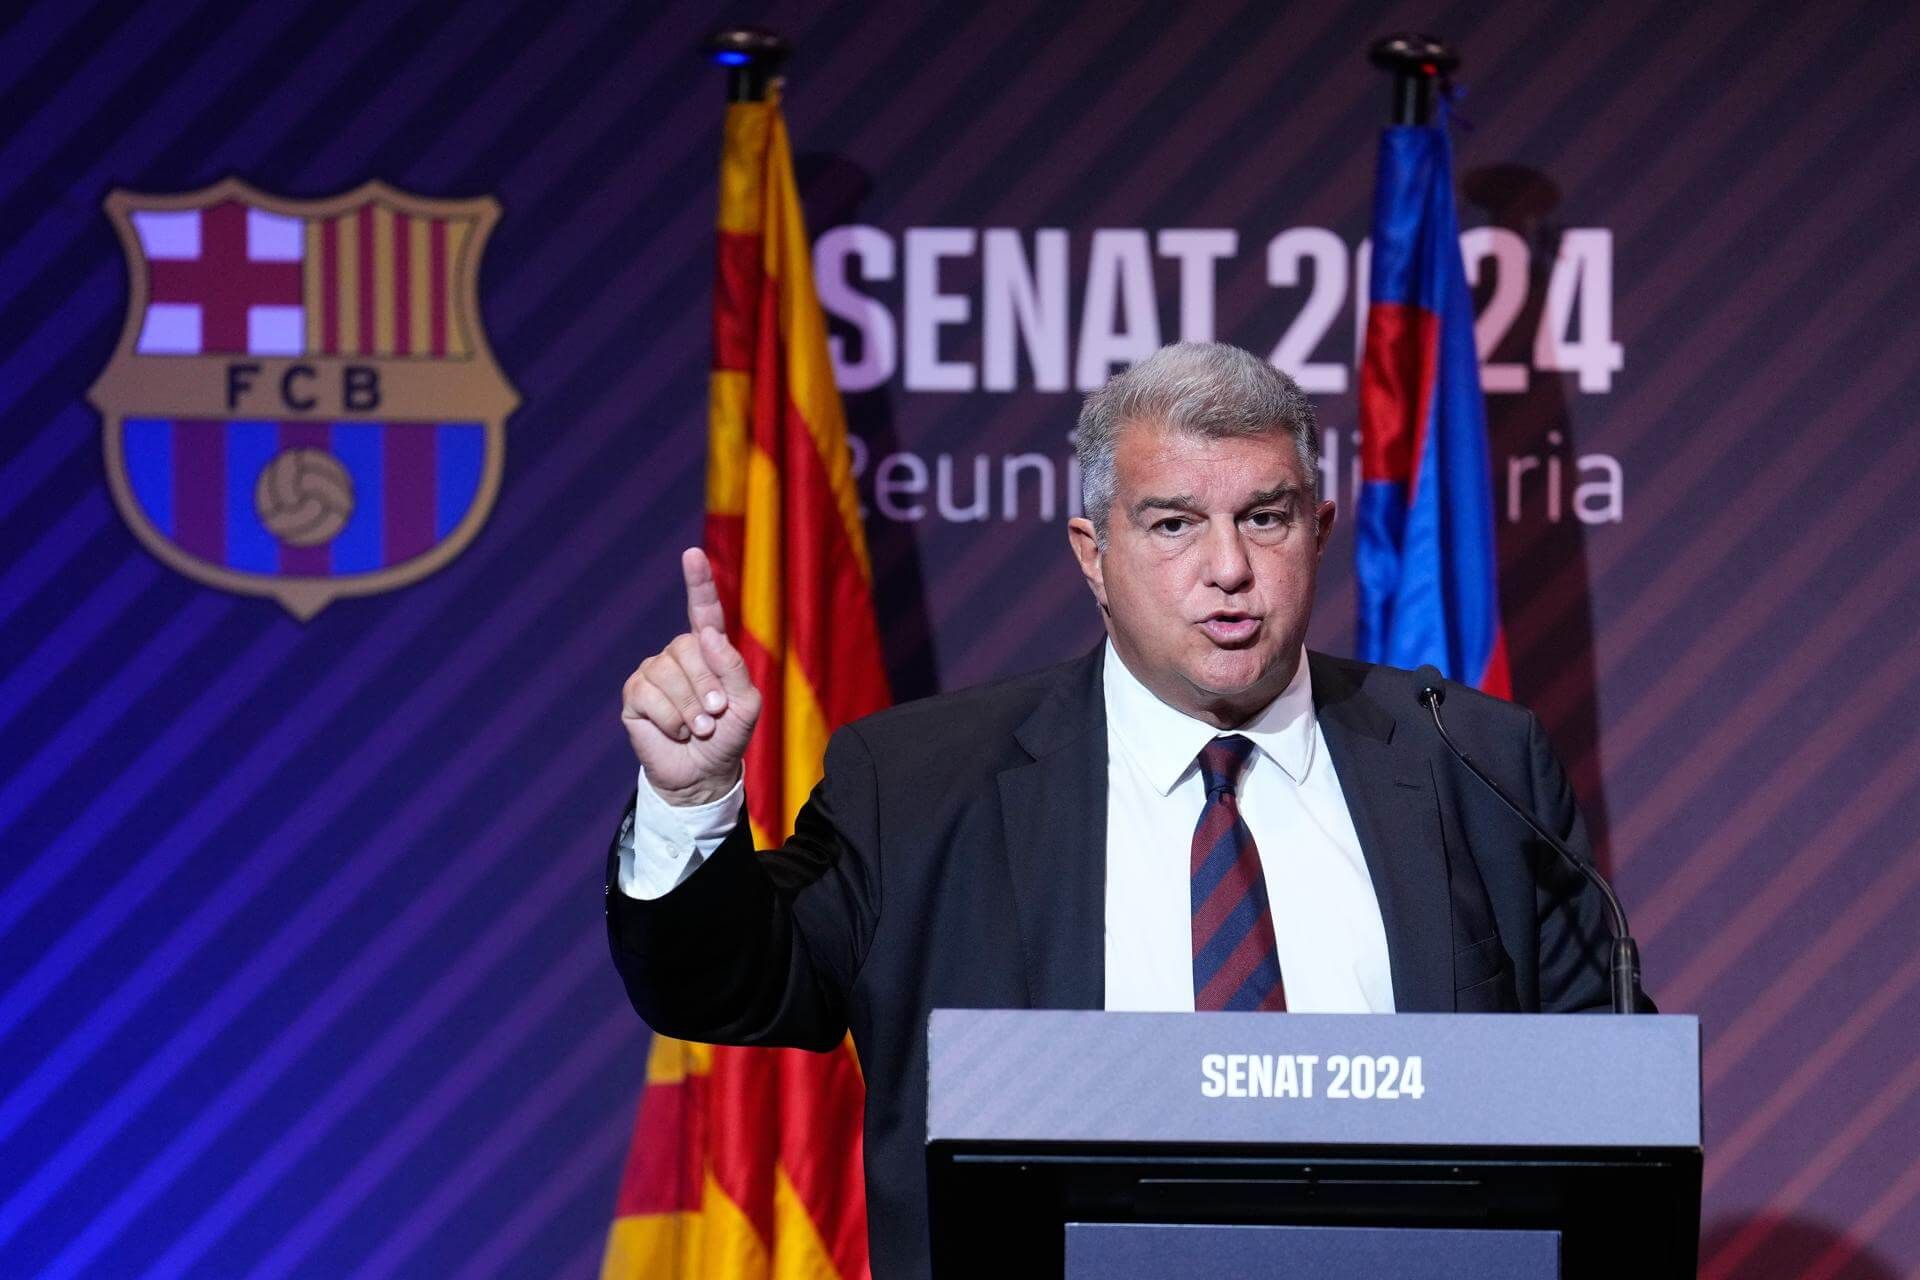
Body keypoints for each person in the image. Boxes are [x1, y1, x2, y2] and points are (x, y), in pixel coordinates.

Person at [607, 342, 1627, 1280]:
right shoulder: (921, 783)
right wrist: (690, 796)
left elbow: (1613, 1116)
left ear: (1317, 530)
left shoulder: (1474, 762)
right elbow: (726, 983)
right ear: (1093, 551)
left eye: (1264, 517)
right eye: (1174, 522)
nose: (1228, 567)